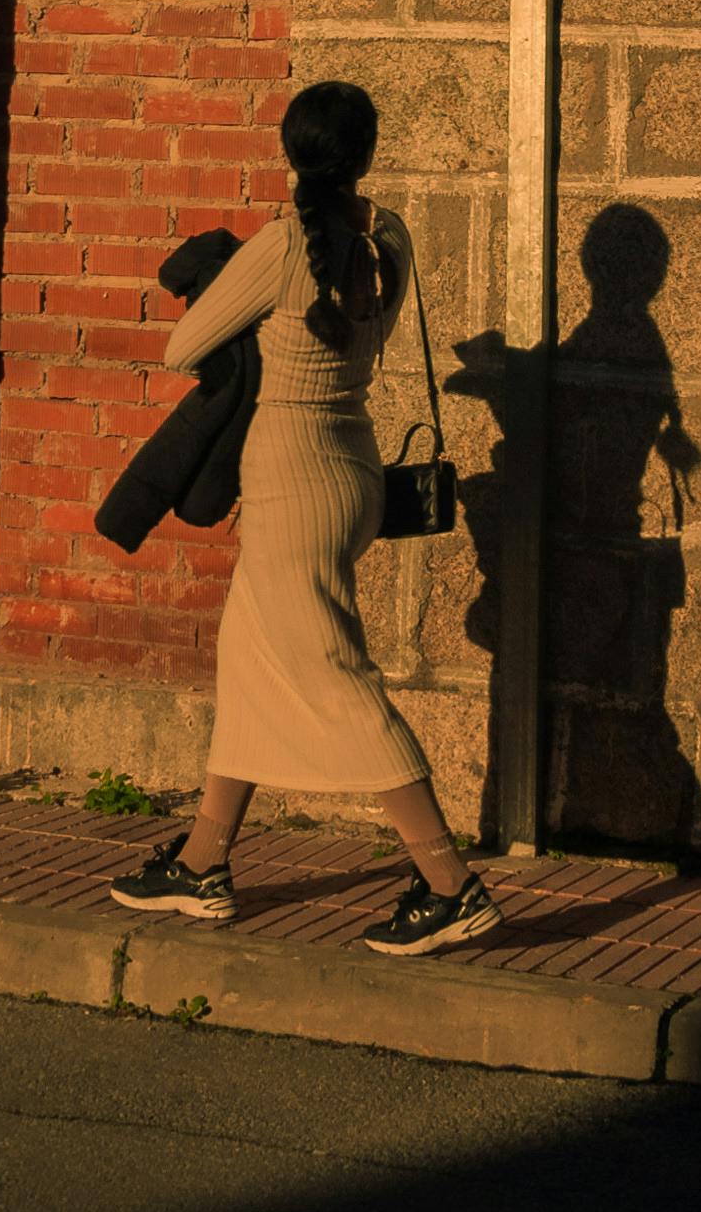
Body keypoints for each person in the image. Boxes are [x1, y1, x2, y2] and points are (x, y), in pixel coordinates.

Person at [108, 81, 502, 958]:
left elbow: (183, 347)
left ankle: (452, 885)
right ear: (364, 152)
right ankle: (202, 863)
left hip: (291, 483)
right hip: (356, 468)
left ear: (292, 151)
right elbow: (371, 333)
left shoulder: (285, 245)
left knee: (334, 677)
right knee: (250, 664)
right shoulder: (389, 235)